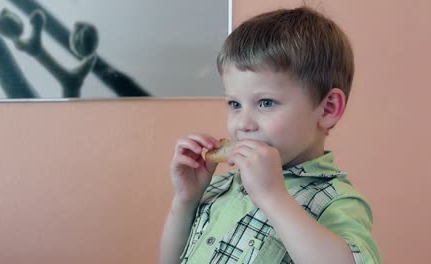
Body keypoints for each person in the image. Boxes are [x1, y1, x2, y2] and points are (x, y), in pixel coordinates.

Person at [160, 6, 381, 264]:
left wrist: (272, 196)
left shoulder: (335, 200)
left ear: (328, 108)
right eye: (234, 104)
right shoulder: (223, 186)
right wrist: (186, 200)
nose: (242, 123)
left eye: (265, 103)